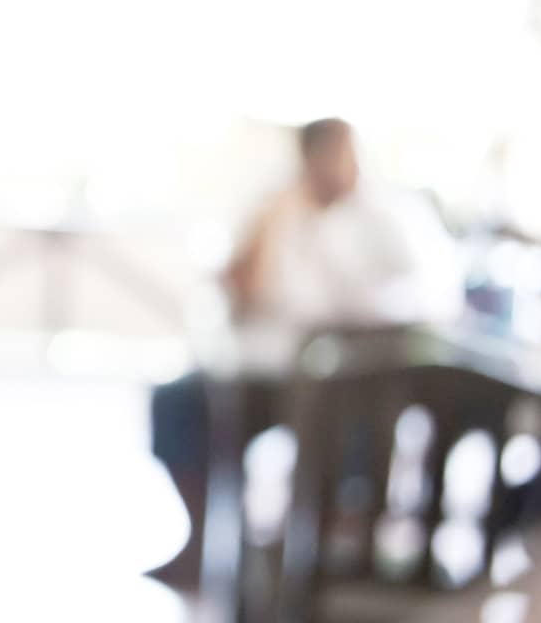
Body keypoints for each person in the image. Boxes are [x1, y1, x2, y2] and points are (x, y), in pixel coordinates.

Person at [149, 118, 460, 590]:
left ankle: (333, 556)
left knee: (352, 426)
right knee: (177, 402)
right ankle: (200, 545)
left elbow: (432, 297)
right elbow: (236, 290)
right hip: (266, 372)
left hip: (356, 376)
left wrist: (346, 314)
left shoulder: (390, 216)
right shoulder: (275, 209)